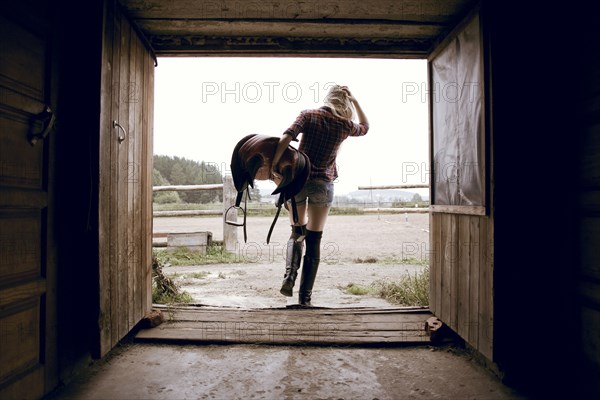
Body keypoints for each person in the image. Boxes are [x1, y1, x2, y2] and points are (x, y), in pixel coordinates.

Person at [270, 85, 369, 306]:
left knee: (297, 232)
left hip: (298, 181)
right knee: (314, 240)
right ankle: (305, 298)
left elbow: (286, 136)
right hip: (323, 185)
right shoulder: (344, 125)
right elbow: (365, 127)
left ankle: (289, 277)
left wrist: (275, 163)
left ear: (328, 99)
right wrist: (356, 100)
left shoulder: (308, 115)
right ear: (344, 104)